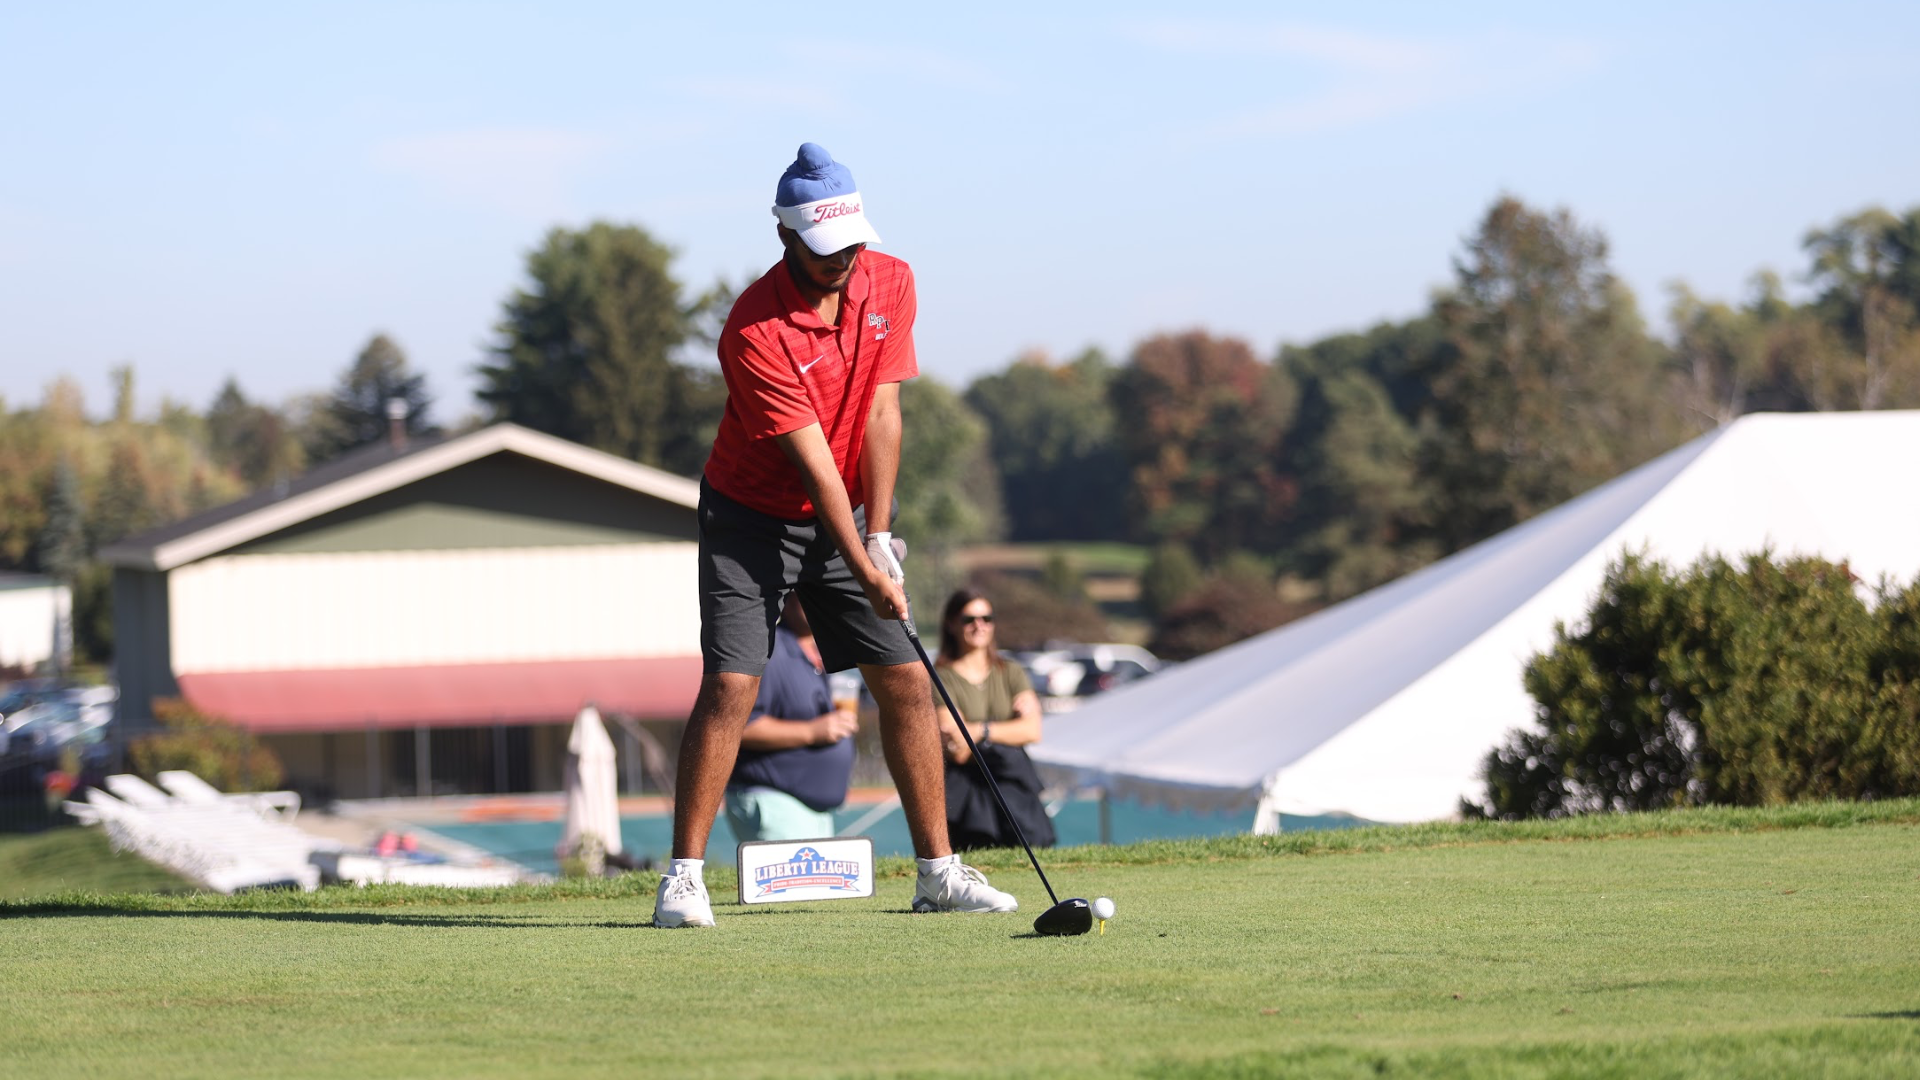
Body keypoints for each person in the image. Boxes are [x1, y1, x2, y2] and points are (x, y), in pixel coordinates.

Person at [653, 143, 1019, 927]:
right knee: (732, 685)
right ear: (784, 236)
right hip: (750, 518)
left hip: (844, 514)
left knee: (907, 679)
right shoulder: (753, 328)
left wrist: (878, 536)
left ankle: (938, 873)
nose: (843, 260)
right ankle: (682, 880)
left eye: (851, 242)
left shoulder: (891, 279)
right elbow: (815, 465)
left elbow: (883, 412)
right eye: (824, 247)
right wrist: (867, 565)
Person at [724, 597, 858, 841]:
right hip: (774, 802)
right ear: (786, 598)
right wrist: (812, 732)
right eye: (803, 591)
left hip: (811, 810)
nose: (815, 596)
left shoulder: (820, 651)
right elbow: (739, 728)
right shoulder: (770, 650)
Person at [931, 589, 1056, 851]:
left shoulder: (1011, 672)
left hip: (1013, 784)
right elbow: (958, 749)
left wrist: (980, 730)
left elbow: (1032, 731)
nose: (979, 626)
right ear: (951, 624)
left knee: (1033, 850)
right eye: (969, 619)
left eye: (986, 619)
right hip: (968, 793)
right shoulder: (940, 677)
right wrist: (1009, 729)